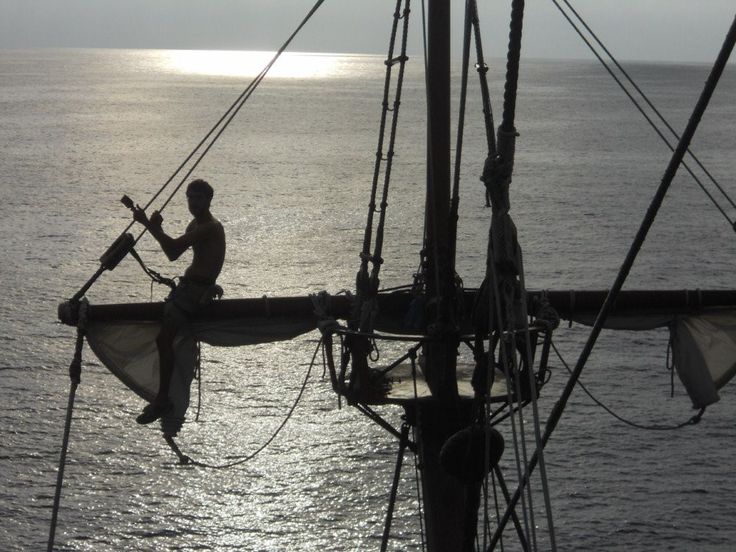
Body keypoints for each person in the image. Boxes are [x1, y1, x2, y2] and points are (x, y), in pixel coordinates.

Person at [131, 179, 226, 424]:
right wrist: (155, 229)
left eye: (198, 198)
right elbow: (174, 252)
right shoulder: (195, 225)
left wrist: (149, 226)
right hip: (188, 288)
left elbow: (172, 251)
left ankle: (162, 398)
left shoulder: (211, 227)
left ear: (208, 200)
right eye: (190, 197)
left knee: (164, 339)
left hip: (196, 292)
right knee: (164, 340)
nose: (193, 202)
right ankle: (163, 396)